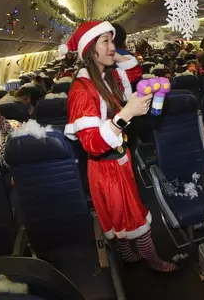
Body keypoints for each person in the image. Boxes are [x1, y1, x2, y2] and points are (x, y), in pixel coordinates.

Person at [63, 20, 177, 272]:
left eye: (112, 40)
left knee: (120, 217)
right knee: (133, 215)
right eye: (105, 41)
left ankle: (127, 256)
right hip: (106, 169)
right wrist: (125, 115)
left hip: (117, 162)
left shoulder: (105, 77)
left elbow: (133, 74)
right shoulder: (82, 91)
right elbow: (92, 144)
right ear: (90, 49)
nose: (113, 46)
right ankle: (154, 261)